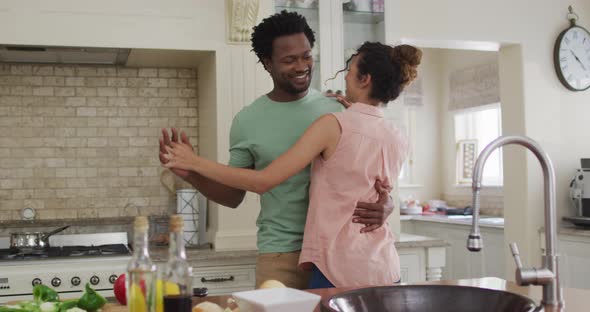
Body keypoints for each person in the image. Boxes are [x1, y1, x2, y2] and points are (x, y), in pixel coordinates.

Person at [158, 11, 394, 289]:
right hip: (281, 254)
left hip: (339, 252)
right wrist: (191, 173)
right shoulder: (248, 121)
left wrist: (387, 206)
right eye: (289, 59)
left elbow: (374, 178)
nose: (301, 65)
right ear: (267, 63)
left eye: (306, 55)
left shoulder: (338, 109)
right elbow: (234, 196)